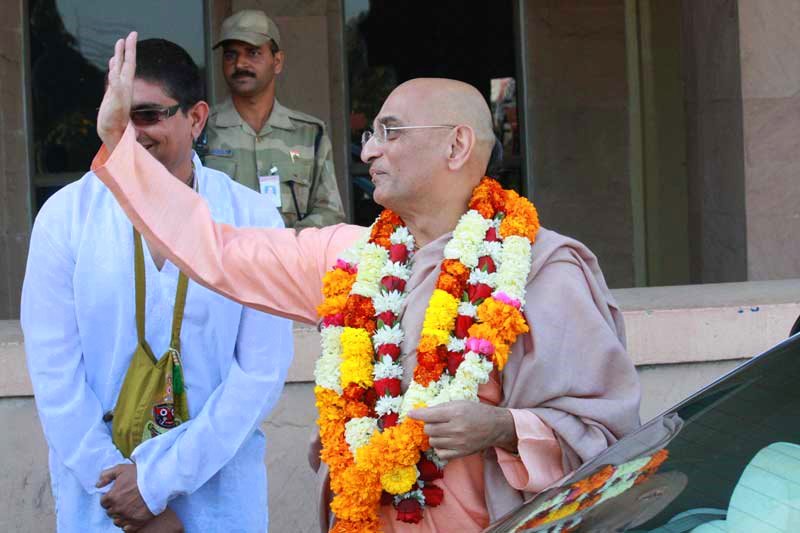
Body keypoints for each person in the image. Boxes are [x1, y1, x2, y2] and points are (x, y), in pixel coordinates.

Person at [92, 33, 641, 532]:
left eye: (390, 132)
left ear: (456, 146)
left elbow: (607, 439)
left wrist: (502, 427)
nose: (368, 149)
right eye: (371, 133)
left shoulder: (542, 270)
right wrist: (120, 144)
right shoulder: (354, 259)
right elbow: (216, 251)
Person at [21, 37, 293, 533]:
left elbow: (259, 375)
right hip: (103, 499)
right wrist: (127, 497)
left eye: (146, 114)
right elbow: (55, 377)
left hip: (216, 493)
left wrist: (156, 484)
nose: (129, 133)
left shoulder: (250, 216)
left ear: (196, 117)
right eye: (116, 115)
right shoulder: (66, 216)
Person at [203, 9, 346, 229]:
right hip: (221, 260)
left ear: (277, 62)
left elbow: (330, 213)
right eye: (231, 54)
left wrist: (282, 245)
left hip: (290, 261)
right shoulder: (201, 130)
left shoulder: (308, 133)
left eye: (253, 53)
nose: (240, 64)